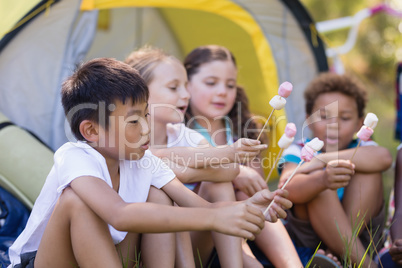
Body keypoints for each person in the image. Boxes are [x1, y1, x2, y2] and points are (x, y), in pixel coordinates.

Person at [7, 58, 292, 268]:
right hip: (48, 262)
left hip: (111, 256)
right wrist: (217, 215)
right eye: (133, 121)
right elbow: (119, 215)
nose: (145, 129)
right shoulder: (75, 157)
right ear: (91, 131)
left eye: (146, 116)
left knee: (159, 195)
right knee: (77, 201)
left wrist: (248, 210)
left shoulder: (144, 160)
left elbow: (202, 209)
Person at [125, 46, 283, 268]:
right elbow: (152, 163)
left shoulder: (182, 135)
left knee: (217, 184)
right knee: (164, 195)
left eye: (186, 87)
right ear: (141, 93)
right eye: (174, 87)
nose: (186, 95)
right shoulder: (124, 139)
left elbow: (228, 170)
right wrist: (202, 161)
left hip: (190, 241)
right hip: (138, 250)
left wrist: (185, 167)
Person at [183, 44, 303, 267]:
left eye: (230, 85)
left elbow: (255, 189)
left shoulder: (242, 132)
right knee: (224, 186)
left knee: (241, 195)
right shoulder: (180, 132)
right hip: (197, 235)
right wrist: (236, 172)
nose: (222, 91)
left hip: (247, 230)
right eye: (211, 83)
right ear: (187, 85)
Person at [278, 72, 393, 267]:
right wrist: (322, 179)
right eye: (324, 116)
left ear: (359, 123)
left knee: (370, 172)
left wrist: (321, 158)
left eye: (345, 118)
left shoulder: (361, 147)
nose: (334, 125)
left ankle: (338, 254)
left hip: (359, 235)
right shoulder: (298, 149)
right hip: (310, 240)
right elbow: (286, 185)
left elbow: (384, 158)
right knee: (318, 183)